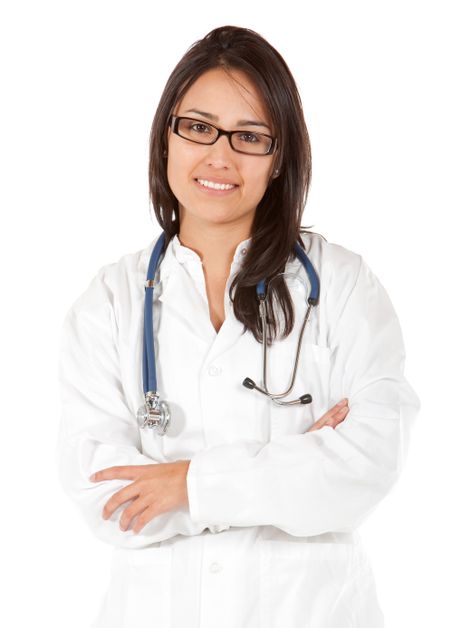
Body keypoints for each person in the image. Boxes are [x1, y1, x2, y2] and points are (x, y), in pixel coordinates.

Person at [56, 25, 420, 628]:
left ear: (280, 160)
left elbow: (369, 462)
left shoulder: (344, 287)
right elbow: (106, 497)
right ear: (165, 138)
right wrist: (298, 463)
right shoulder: (109, 304)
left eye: (250, 137)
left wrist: (185, 482)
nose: (219, 156)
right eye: (198, 128)